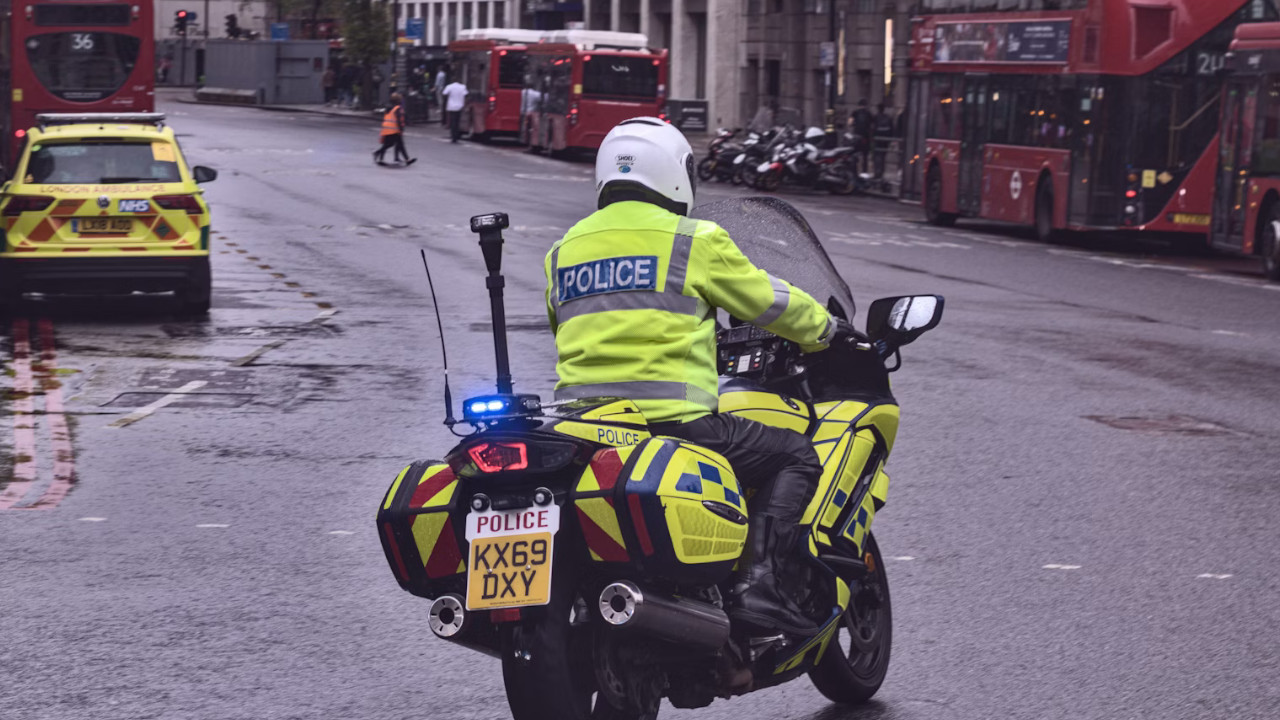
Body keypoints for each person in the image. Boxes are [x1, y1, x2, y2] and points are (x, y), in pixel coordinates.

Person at [543, 117, 839, 635]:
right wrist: (825, 329)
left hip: (582, 429)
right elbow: (769, 302)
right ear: (675, 174)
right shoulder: (693, 240)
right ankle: (760, 584)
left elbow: (563, 327)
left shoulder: (563, 249)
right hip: (673, 423)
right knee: (795, 454)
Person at [374, 93, 415, 166]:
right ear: (399, 100)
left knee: (388, 144)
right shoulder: (398, 108)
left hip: (387, 128)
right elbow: (400, 119)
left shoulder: (389, 108)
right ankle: (407, 159)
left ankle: (380, 157)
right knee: (398, 144)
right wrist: (401, 128)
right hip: (394, 129)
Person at [849, 99, 873, 173]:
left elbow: (849, 123)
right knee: (865, 155)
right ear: (866, 105)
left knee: (855, 154)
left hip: (857, 136)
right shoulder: (868, 113)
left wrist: (854, 125)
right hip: (865, 137)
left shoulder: (855, 113)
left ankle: (854, 171)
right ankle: (864, 171)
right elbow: (872, 125)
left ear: (858, 105)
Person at [872, 103, 895, 181]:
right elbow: (892, 129)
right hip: (885, 140)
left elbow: (872, 128)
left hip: (877, 140)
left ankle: (877, 173)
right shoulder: (888, 118)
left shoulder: (875, 117)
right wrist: (890, 140)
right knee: (883, 156)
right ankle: (881, 172)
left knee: (876, 156)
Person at [442, 76, 468, 143]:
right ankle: (456, 136)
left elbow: (444, 93)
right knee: (457, 121)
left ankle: (453, 136)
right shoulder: (463, 87)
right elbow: (465, 95)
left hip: (451, 106)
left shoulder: (449, 86)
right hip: (459, 106)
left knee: (452, 121)